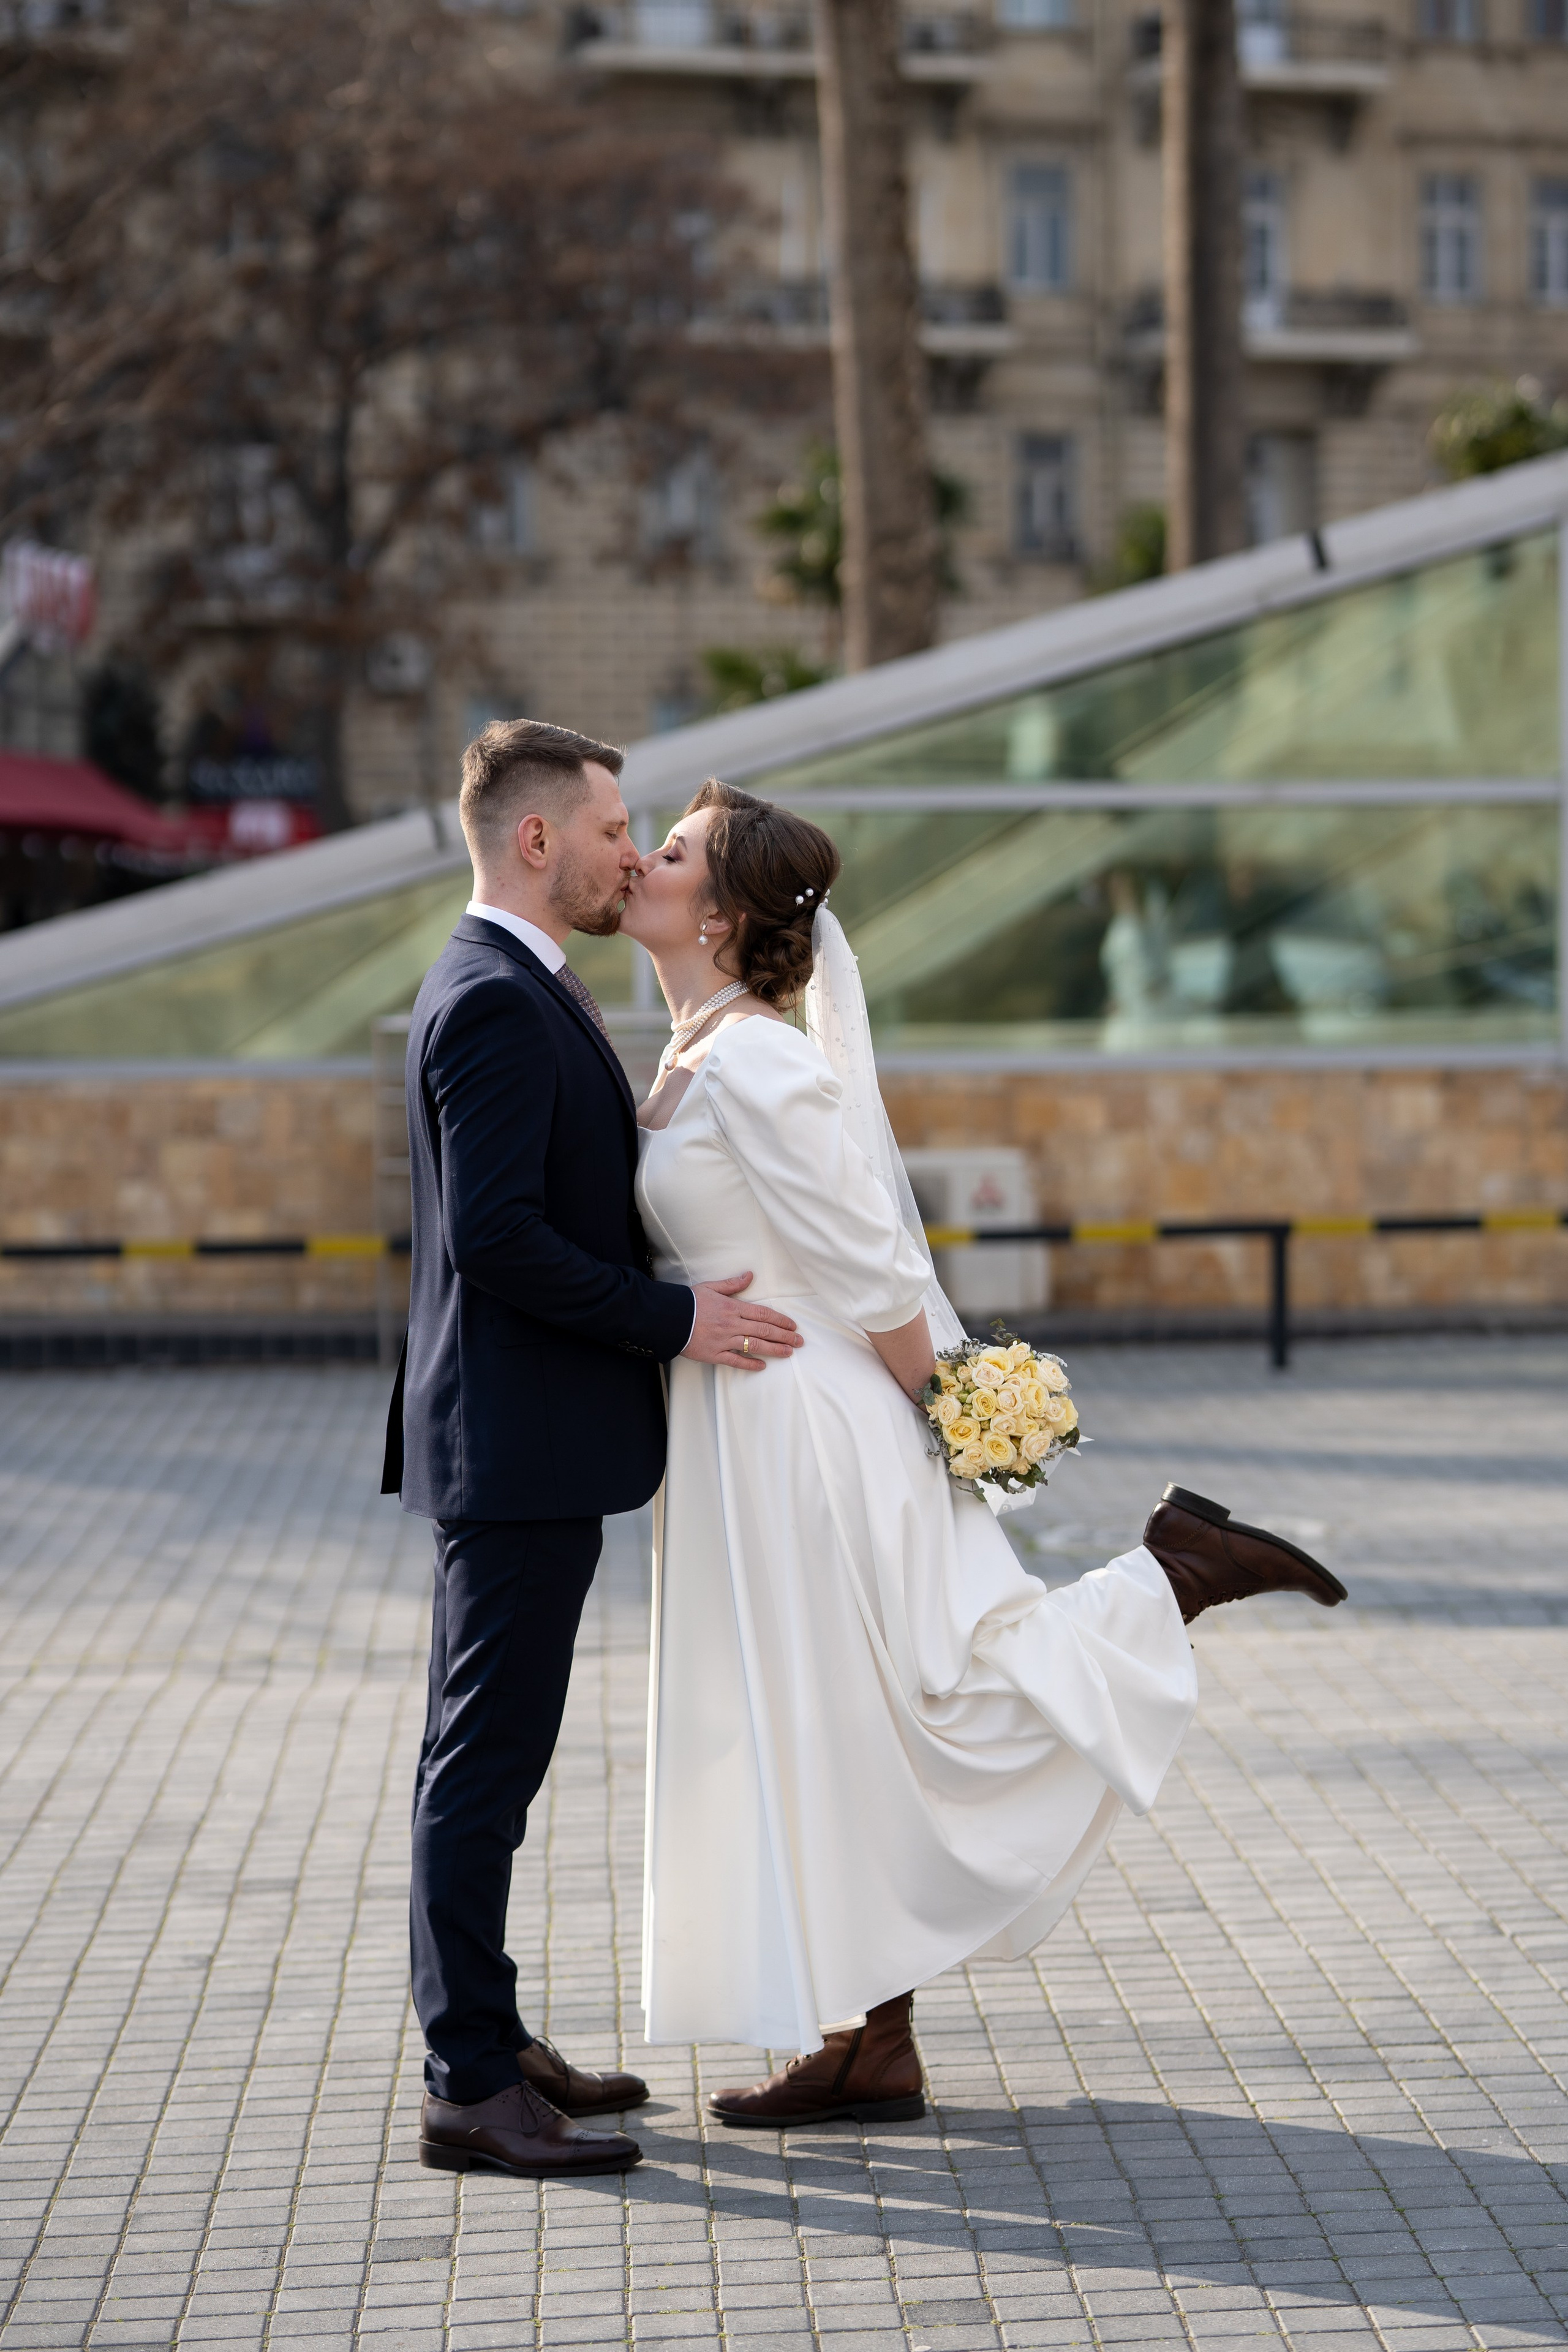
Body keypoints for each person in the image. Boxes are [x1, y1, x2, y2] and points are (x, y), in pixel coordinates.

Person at [622, 780, 1347, 2128]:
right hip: (741, 1422)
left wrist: (953, 1420)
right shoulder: (695, 1047)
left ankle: (1164, 1581)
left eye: (664, 852)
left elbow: (874, 1263)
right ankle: (867, 2043)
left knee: (910, 1704)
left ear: (717, 917)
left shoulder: (765, 1062)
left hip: (809, 1428)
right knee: (829, 1720)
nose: (637, 863)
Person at [382, 722, 803, 2180]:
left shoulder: (513, 978)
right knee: (480, 1760)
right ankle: (467, 2083)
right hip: (514, 1441)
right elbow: (499, 1239)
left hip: (522, 1439)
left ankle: (492, 2041)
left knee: (491, 1751)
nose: (634, 852)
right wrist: (671, 1320)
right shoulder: (494, 995)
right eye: (617, 826)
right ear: (538, 839)